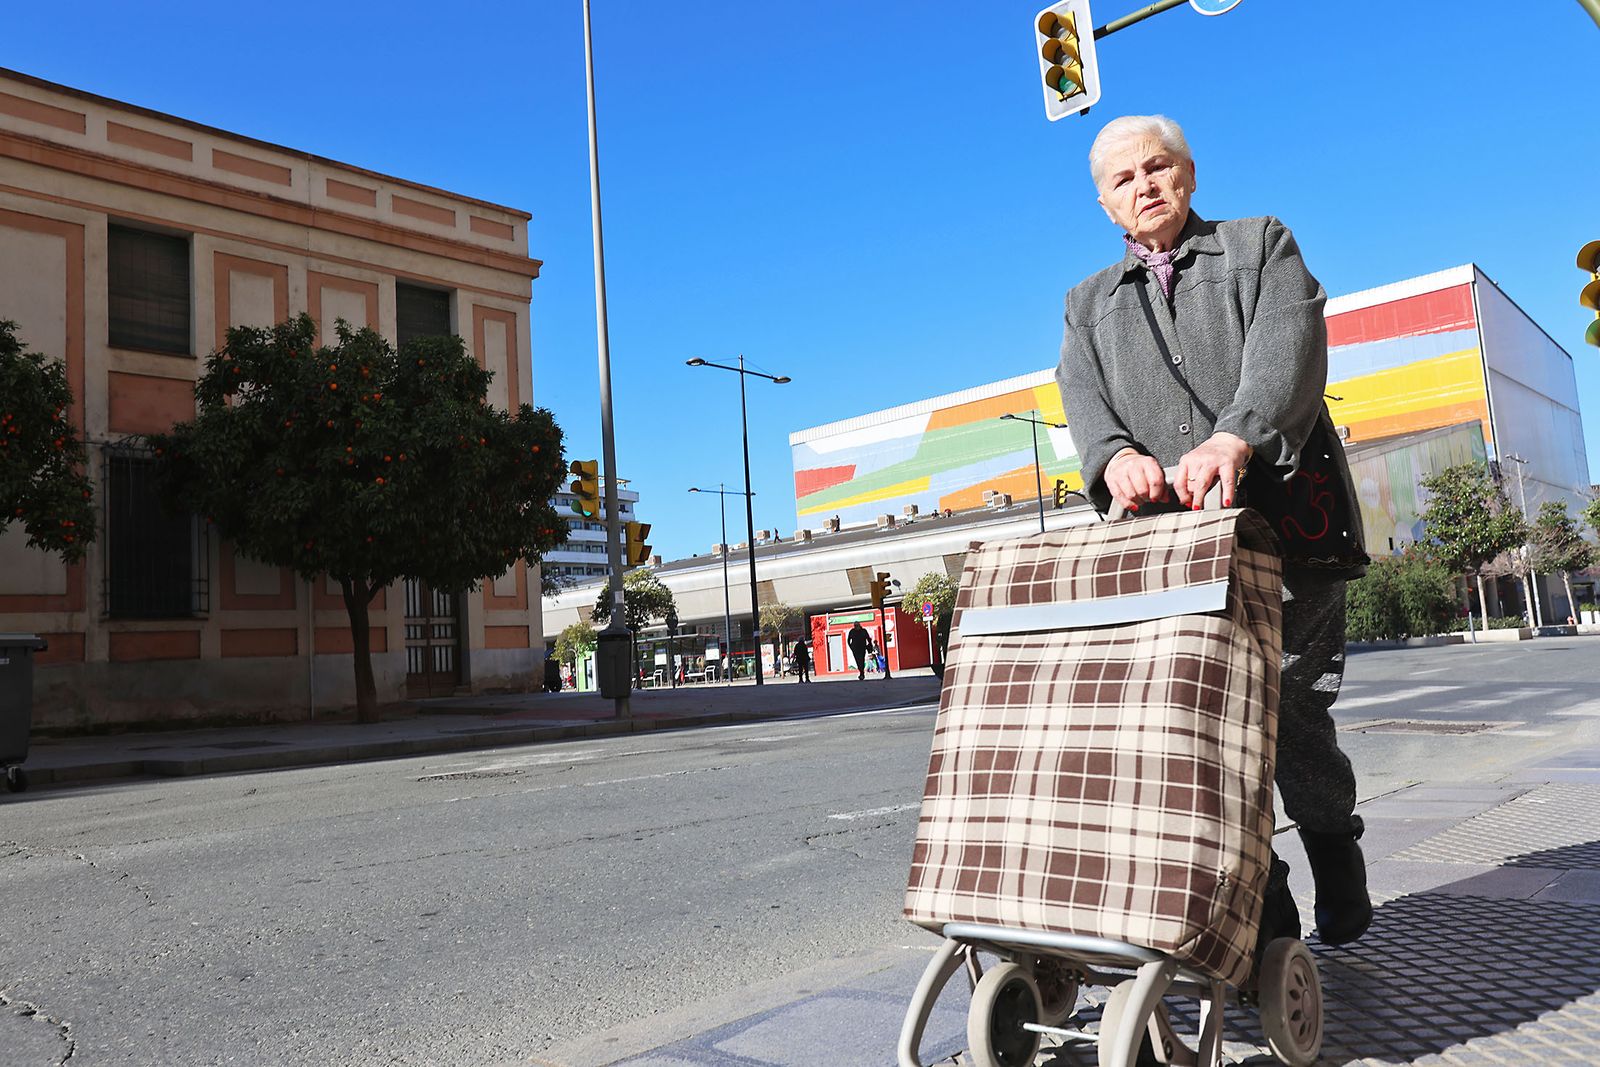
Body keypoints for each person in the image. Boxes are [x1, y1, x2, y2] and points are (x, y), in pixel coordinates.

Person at [1055, 115, 1373, 973]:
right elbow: (1081, 396)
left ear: (1188, 173)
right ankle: (1263, 906)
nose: (1144, 185)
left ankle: (1336, 843)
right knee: (1204, 734)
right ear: (1104, 202)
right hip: (1171, 555)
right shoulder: (1087, 303)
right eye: (1124, 179)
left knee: (1295, 712)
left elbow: (1290, 345)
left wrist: (1239, 436)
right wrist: (1111, 457)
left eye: (1158, 167)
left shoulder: (1257, 244)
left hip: (1288, 530)